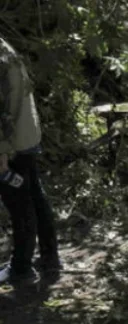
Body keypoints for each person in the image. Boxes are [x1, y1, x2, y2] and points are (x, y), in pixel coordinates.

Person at [0, 36, 59, 287]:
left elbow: (3, 110)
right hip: (25, 136)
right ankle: (49, 257)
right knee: (34, 196)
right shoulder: (4, 47)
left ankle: (21, 267)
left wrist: (2, 151)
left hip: (12, 145)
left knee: (19, 204)